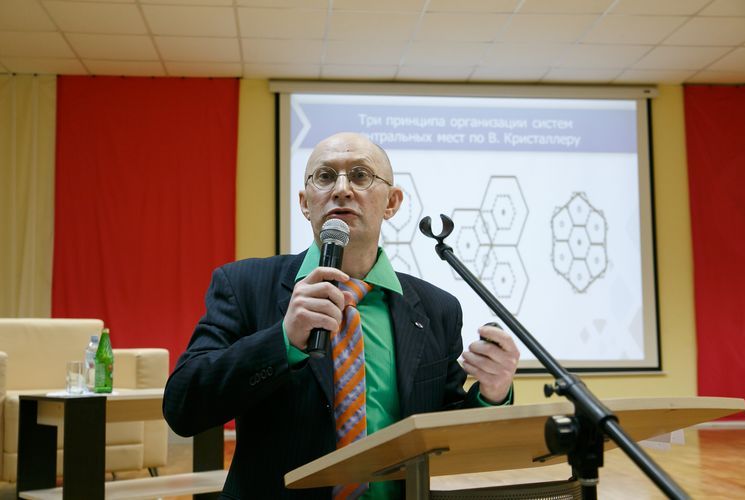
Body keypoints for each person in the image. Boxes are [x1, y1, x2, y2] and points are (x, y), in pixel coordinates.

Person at [163, 132, 520, 499]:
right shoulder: (244, 286)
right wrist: (282, 340)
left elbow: (445, 432)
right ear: (305, 203)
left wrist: (491, 395)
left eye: (361, 175)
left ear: (392, 203)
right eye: (325, 176)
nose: (342, 189)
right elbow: (183, 406)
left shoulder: (436, 309)